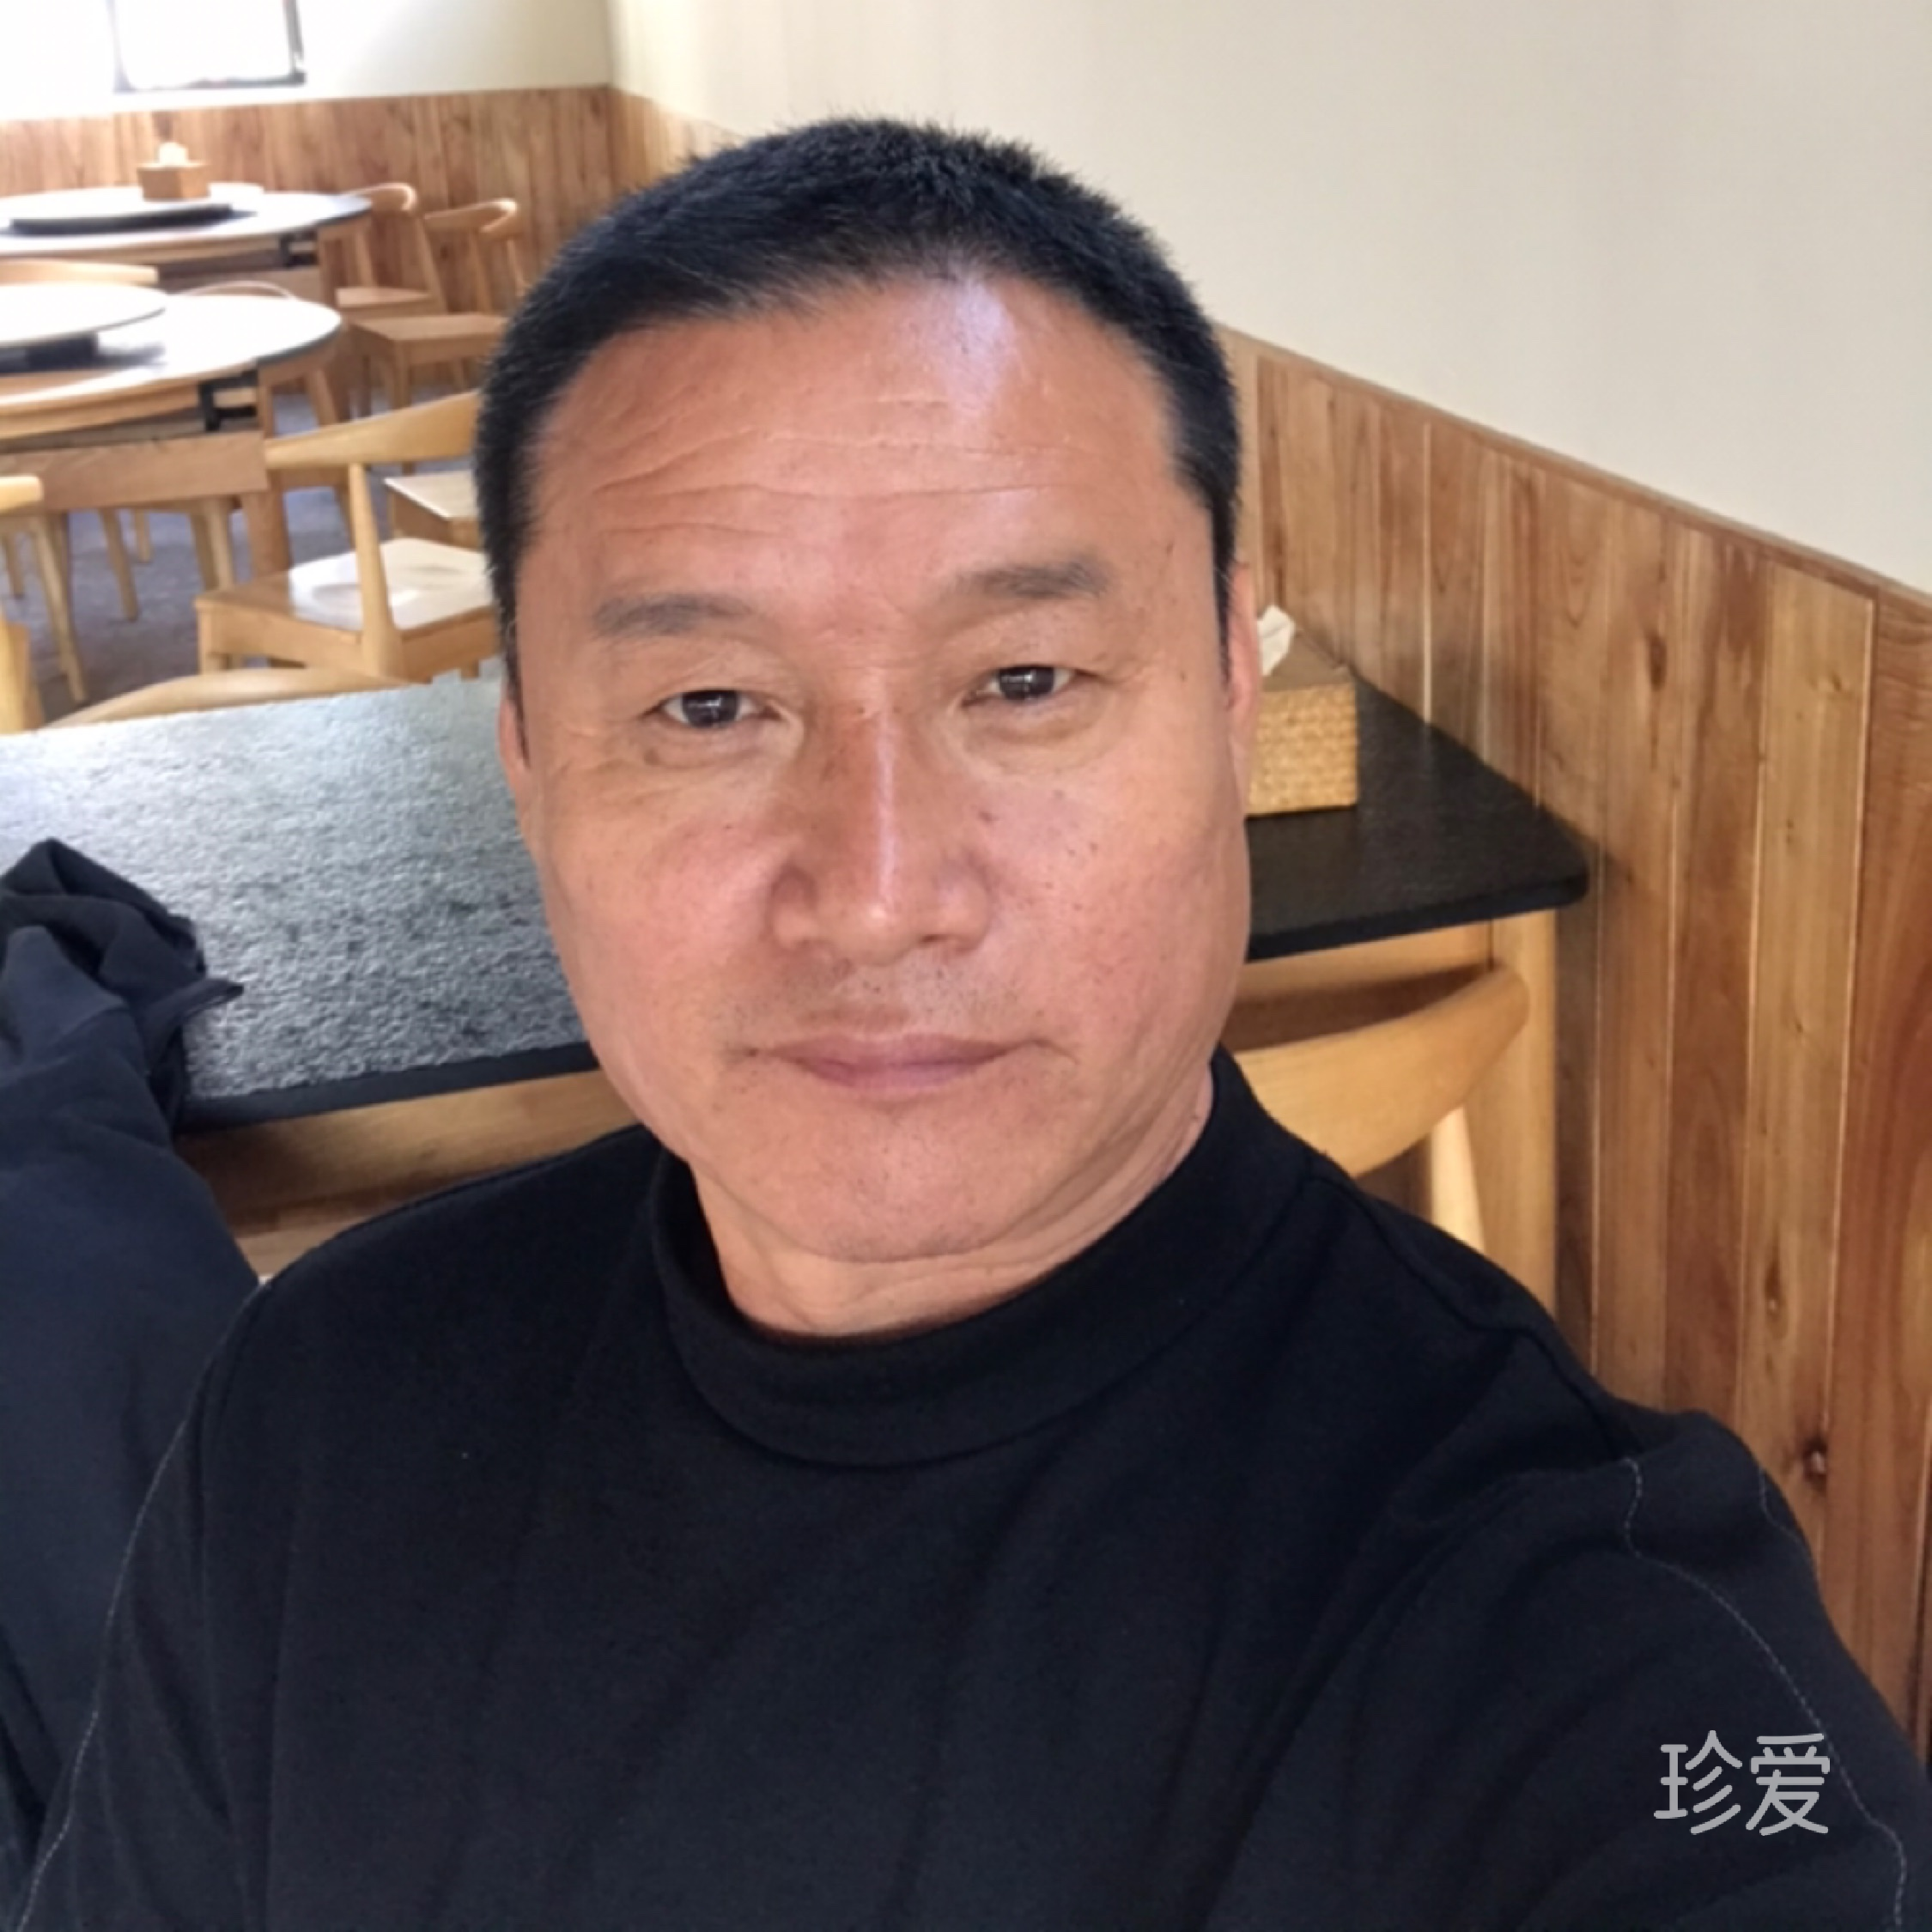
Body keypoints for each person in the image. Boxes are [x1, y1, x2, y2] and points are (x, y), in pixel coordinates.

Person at [17, 118, 1932, 1932]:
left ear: (1231, 692)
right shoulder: (325, 1403)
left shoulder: (1582, 1640)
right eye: (708, 707)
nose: (877, 890)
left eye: (1023, 680)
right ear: (528, 761)